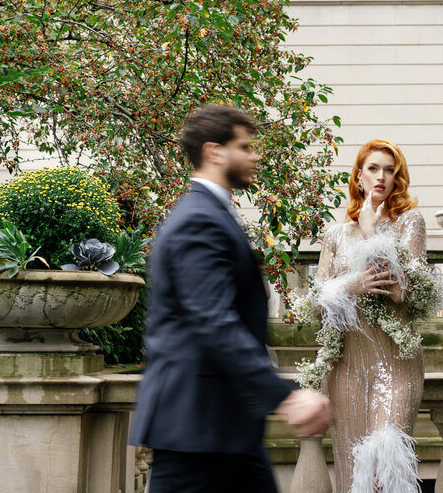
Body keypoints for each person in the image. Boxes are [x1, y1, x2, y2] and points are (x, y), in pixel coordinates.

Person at [130, 105, 330, 492]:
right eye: (246, 146)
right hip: (196, 426)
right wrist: (286, 398)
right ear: (214, 152)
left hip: (223, 424)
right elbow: (213, 321)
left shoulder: (209, 214)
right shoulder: (199, 221)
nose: (255, 156)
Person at [310, 139, 431, 493]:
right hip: (346, 368)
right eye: (373, 168)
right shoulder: (334, 234)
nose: (381, 177)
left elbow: (402, 292)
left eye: (390, 170)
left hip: (395, 365)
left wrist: (370, 233)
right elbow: (317, 305)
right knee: (353, 475)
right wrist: (351, 285)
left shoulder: (411, 223)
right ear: (359, 176)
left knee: (386, 467)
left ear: (397, 178)